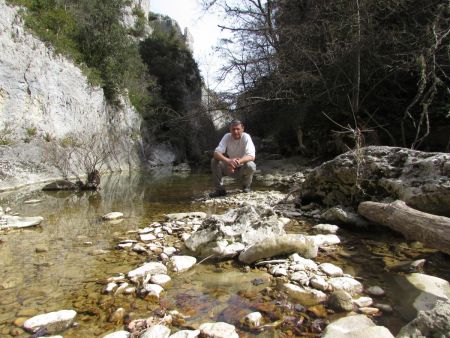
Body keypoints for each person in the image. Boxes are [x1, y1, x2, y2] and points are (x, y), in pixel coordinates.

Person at [209, 119, 256, 197]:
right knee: (214, 161)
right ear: (230, 129)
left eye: (238, 129)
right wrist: (228, 161)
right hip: (229, 169)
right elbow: (216, 153)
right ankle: (220, 190)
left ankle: (246, 186)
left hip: (242, 168)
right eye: (233, 129)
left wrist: (236, 162)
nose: (235, 132)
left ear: (242, 129)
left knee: (251, 165)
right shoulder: (227, 136)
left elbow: (251, 156)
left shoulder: (246, 137)